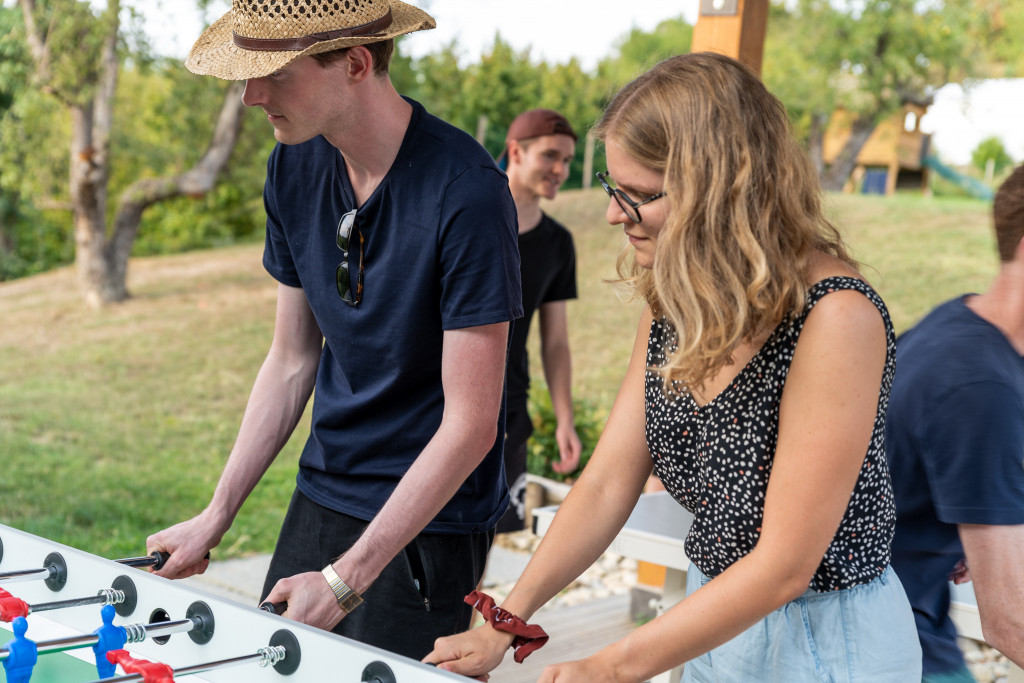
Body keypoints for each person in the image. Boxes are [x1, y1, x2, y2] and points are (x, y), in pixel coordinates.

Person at [425, 52, 921, 682]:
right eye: (613, 189)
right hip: (710, 620)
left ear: (723, 187)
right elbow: (608, 483)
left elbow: (785, 565)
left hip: (826, 642)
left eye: (637, 196)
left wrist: (611, 666)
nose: (612, 214)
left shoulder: (837, 317)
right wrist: (505, 620)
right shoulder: (679, 298)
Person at [146, 0, 523, 661]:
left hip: (426, 528)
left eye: (276, 74)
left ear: (354, 63)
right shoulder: (290, 166)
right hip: (319, 495)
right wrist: (216, 513)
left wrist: (349, 578)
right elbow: (292, 360)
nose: (250, 95)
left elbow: (472, 424)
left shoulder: (468, 193)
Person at [886, 164, 1024, 682]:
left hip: (910, 608)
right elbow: (1010, 620)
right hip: (887, 640)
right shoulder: (978, 386)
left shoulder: (960, 321)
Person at [497, 108, 582, 534]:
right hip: (432, 406)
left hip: (508, 409)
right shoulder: (467, 218)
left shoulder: (557, 244)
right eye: (551, 156)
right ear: (516, 151)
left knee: (485, 534)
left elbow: (556, 343)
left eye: (567, 160)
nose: (560, 170)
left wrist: (564, 419)